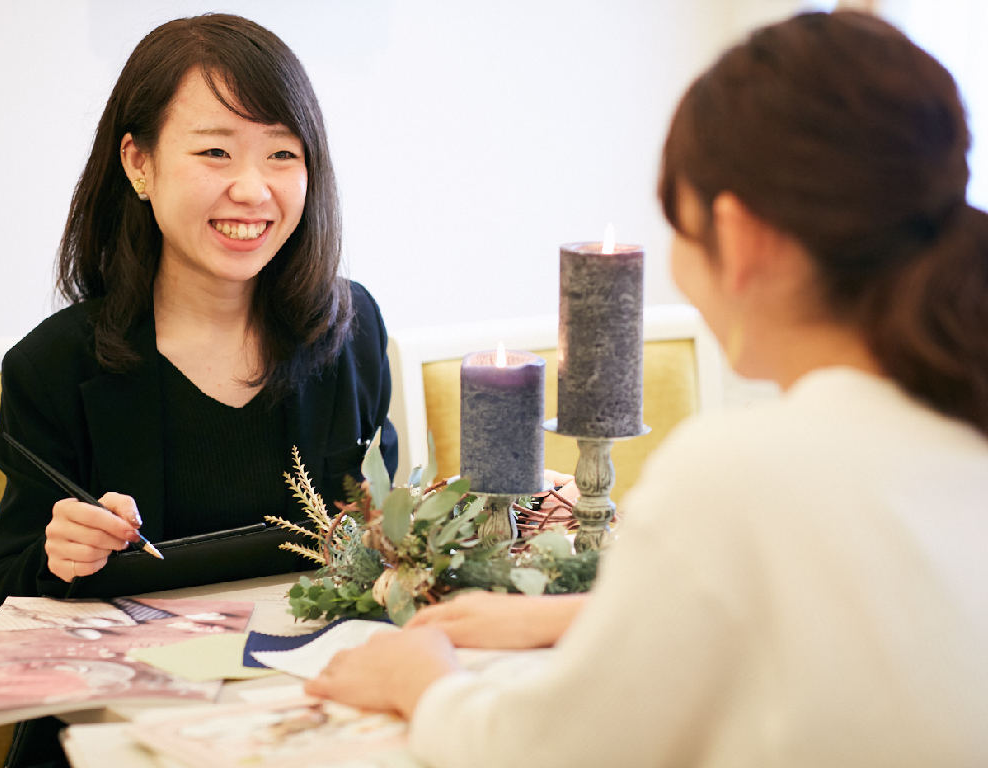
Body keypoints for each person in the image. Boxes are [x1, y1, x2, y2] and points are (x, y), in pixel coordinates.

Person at [304, 11, 988, 767]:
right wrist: (580, 615)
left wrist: (419, 678)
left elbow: (546, 752)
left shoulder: (741, 472)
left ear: (740, 236)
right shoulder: (952, 422)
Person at [0, 13, 397, 767]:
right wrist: (59, 555)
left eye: (282, 154)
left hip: (313, 717)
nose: (252, 189)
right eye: (214, 152)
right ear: (137, 164)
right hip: (125, 728)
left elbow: (379, 528)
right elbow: (2, 588)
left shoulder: (349, 328)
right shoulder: (53, 365)